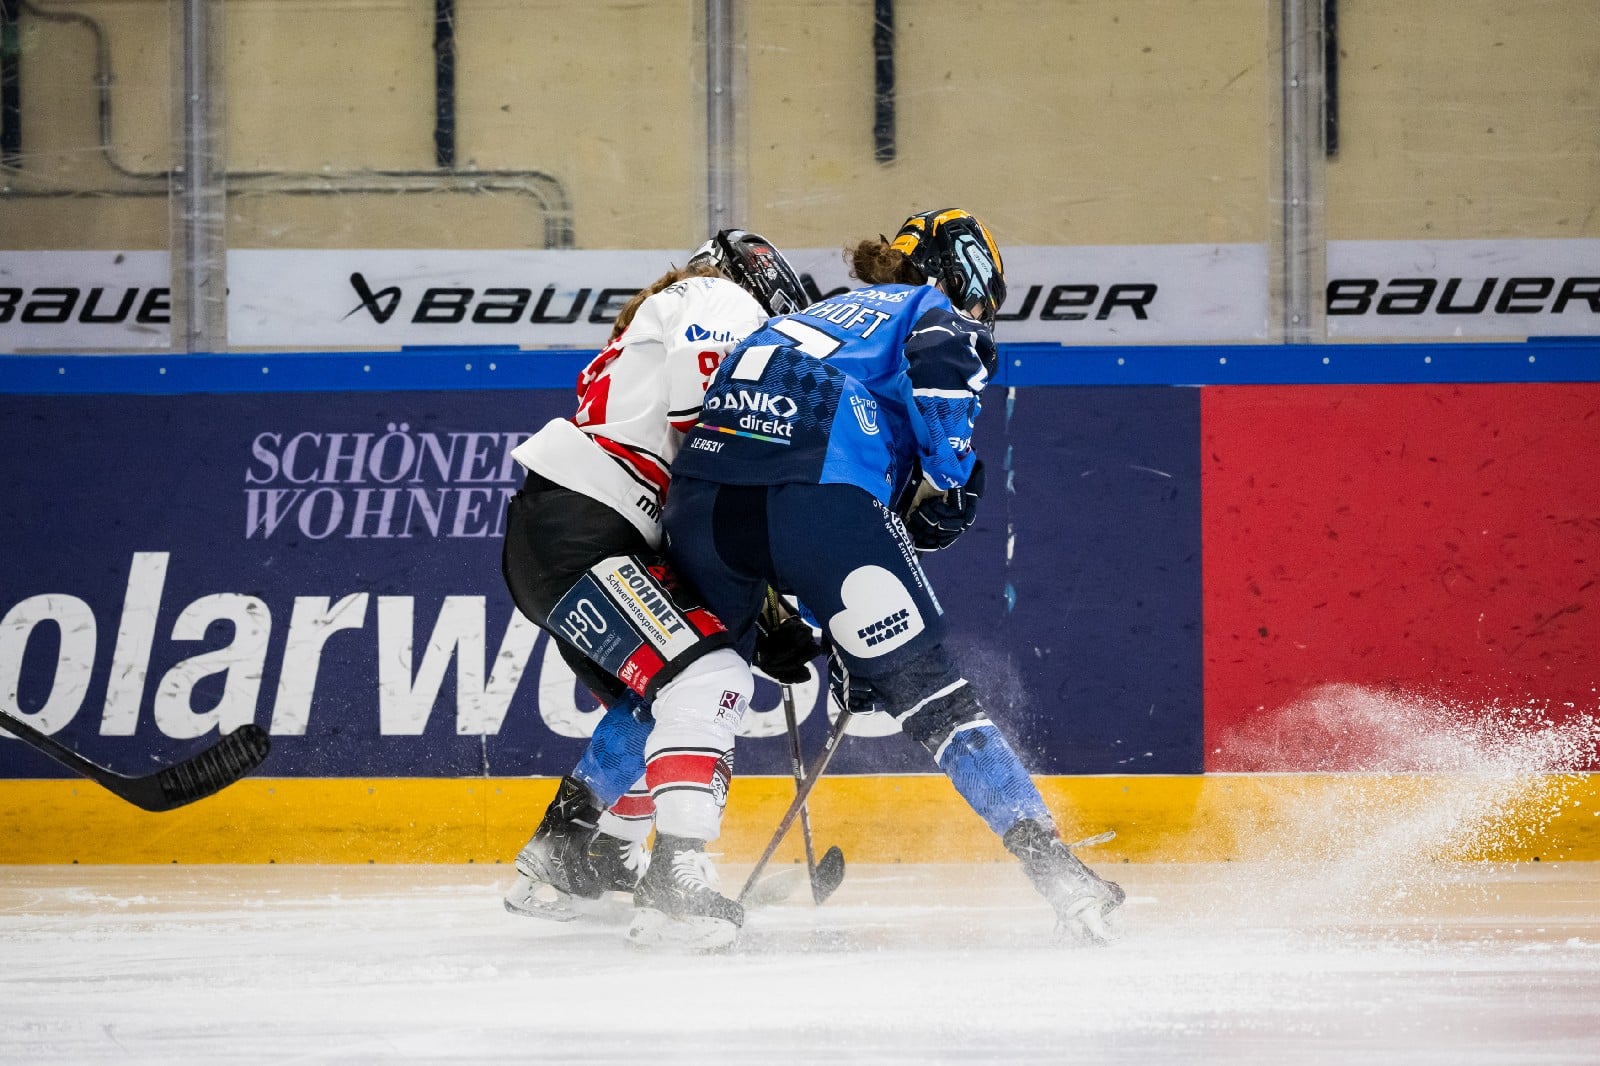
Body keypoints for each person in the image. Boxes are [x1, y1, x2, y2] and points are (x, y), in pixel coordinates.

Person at [662, 208, 1127, 944]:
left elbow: (771, 455)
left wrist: (815, 623)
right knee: (935, 697)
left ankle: (603, 855)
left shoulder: (817, 317)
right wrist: (950, 476)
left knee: (680, 678)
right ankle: (1057, 872)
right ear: (969, 280)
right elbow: (938, 372)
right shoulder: (931, 308)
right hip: (818, 495)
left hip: (699, 502)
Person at [499, 229, 812, 949]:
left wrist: (764, 610)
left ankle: (583, 852)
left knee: (665, 698)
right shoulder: (718, 296)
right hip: (590, 530)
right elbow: (711, 434)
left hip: (570, 533)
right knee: (711, 677)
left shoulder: (668, 312)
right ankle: (674, 878)